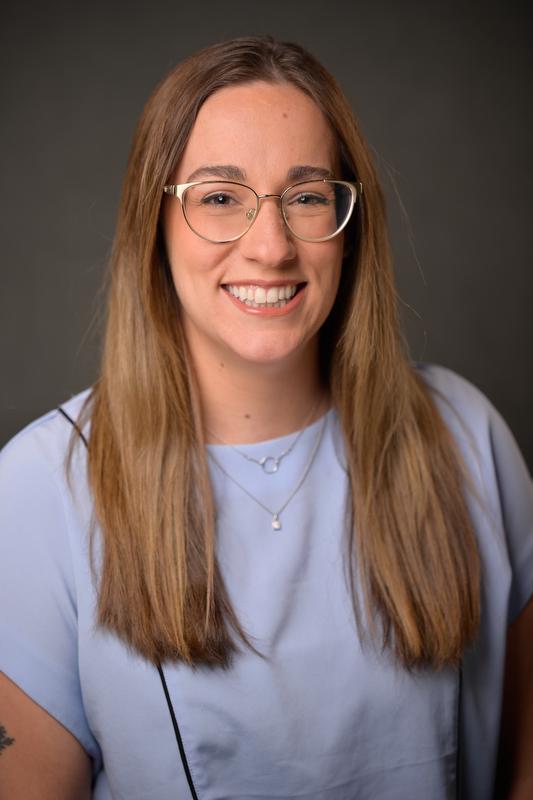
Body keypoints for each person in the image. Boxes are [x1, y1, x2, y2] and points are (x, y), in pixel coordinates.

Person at [0, 36, 531, 800]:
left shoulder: (464, 434)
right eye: (219, 198)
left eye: (307, 196)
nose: (272, 246)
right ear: (154, 225)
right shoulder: (40, 487)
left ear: (349, 226)